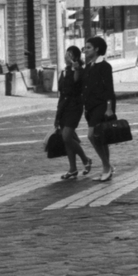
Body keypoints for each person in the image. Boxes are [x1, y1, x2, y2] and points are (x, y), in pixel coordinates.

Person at [54, 46, 92, 181]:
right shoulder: (64, 71)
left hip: (74, 107)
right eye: (66, 53)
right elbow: (61, 90)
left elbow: (75, 82)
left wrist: (75, 69)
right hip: (63, 107)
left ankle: (86, 159)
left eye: (69, 54)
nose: (65, 56)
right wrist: (58, 114)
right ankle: (72, 169)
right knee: (67, 140)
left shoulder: (78, 70)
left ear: (75, 57)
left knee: (66, 136)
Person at [82, 35, 117, 181]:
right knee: (101, 138)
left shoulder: (104, 66)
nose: (85, 50)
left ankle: (106, 166)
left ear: (97, 49)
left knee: (92, 135)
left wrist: (109, 109)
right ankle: (107, 168)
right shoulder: (89, 66)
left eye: (88, 47)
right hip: (90, 107)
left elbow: (109, 89)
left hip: (101, 106)